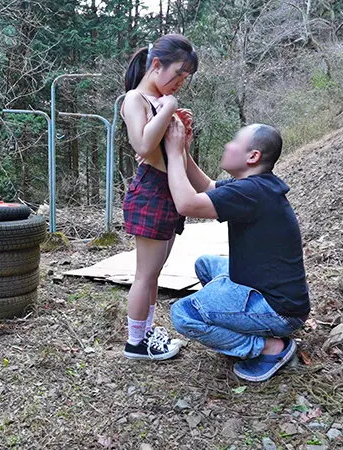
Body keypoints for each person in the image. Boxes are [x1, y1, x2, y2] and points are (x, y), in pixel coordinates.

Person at [163, 119, 310, 381]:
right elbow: (207, 187)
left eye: (235, 142)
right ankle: (236, 319)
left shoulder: (251, 192)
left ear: (253, 156)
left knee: (183, 314)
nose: (227, 145)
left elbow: (186, 204)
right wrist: (183, 149)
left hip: (279, 310)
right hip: (271, 292)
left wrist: (173, 154)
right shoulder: (256, 186)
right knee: (205, 264)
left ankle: (270, 348)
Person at [120, 34, 198, 360]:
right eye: (178, 73)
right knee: (145, 274)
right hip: (151, 191)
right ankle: (135, 342)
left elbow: (171, 153)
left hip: (168, 191)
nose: (180, 82)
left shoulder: (161, 101)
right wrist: (169, 108)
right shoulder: (135, 98)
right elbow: (141, 144)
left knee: (154, 274)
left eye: (185, 77)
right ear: (156, 64)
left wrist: (181, 131)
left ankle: (146, 331)